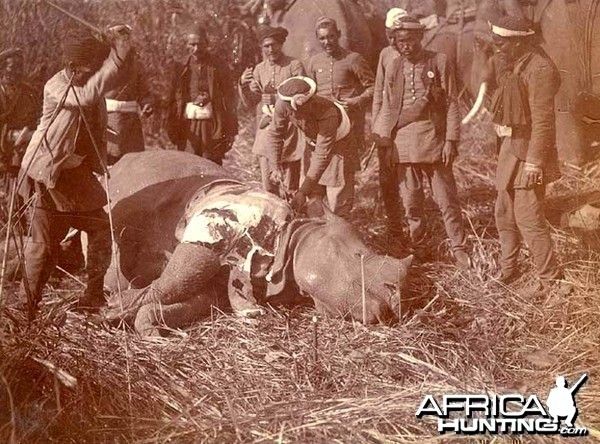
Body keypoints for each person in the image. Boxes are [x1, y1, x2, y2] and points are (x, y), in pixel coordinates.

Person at [19, 27, 132, 314]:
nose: (93, 73)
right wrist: (113, 61)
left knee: (101, 231)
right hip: (46, 176)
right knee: (43, 246)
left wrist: (119, 43)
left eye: (96, 67)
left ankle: (93, 295)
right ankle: (25, 308)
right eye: (89, 68)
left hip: (76, 177)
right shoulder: (56, 86)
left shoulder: (89, 86)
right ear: (71, 66)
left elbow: (113, 79)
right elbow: (84, 97)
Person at [372, 15, 470, 268]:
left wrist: (451, 140)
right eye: (401, 41)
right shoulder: (393, 67)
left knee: (446, 200)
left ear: (420, 37)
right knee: (412, 203)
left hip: (434, 143)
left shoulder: (439, 62)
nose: (405, 46)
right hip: (402, 146)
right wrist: (381, 137)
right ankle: (421, 247)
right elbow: (388, 107)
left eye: (410, 40)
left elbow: (451, 103)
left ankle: (459, 247)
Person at [487, 16, 570, 295]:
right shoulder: (517, 64)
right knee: (503, 211)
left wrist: (535, 161)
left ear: (519, 42)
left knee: (528, 217)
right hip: (513, 149)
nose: (498, 49)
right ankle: (509, 268)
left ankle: (550, 281)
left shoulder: (540, 70)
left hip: (530, 154)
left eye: (502, 44)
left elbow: (544, 122)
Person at [304, 17, 375, 216]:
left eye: (331, 37)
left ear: (339, 35)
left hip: (346, 130)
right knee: (318, 175)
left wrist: (356, 101)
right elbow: (309, 92)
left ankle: (340, 222)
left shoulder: (353, 59)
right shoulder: (314, 62)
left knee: (341, 178)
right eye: (323, 38)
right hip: (321, 130)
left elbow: (374, 87)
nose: (327, 42)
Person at [265, 76, 352, 215]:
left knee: (337, 196)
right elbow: (275, 134)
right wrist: (274, 166)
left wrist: (302, 192)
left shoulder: (327, 113)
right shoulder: (283, 104)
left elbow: (322, 154)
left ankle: (339, 226)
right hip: (312, 143)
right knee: (312, 193)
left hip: (339, 145)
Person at [238, 25, 304, 194]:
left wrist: (278, 97)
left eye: (274, 44)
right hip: (266, 131)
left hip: (290, 130)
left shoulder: (294, 65)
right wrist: (244, 85)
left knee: (291, 185)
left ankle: (293, 217)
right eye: (266, 46)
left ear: (281, 44)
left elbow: (304, 92)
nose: (270, 49)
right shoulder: (259, 69)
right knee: (269, 186)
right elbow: (250, 103)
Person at [166, 25, 238, 165]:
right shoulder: (180, 67)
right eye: (192, 44)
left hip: (212, 124)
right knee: (189, 161)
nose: (197, 49)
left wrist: (230, 129)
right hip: (188, 124)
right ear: (187, 45)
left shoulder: (218, 65)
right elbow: (172, 99)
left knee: (211, 161)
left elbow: (229, 98)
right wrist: (172, 126)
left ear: (207, 44)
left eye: (200, 44)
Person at [373, 8, 406, 241]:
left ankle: (413, 224)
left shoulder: (411, 56)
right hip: (385, 125)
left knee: (407, 178)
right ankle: (395, 227)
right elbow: (378, 91)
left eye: (397, 33)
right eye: (389, 34)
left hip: (406, 125)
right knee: (386, 178)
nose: (393, 39)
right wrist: (376, 125)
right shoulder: (385, 54)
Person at [105, 47, 154, 165]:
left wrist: (147, 104)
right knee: (109, 161)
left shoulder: (137, 66)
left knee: (133, 162)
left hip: (131, 123)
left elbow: (145, 93)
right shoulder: (99, 65)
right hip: (107, 121)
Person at [0, 48, 40, 179]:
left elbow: (37, 118)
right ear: (2, 69)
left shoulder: (30, 92)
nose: (17, 71)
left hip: (24, 150)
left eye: (20, 67)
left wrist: (26, 132)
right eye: (12, 67)